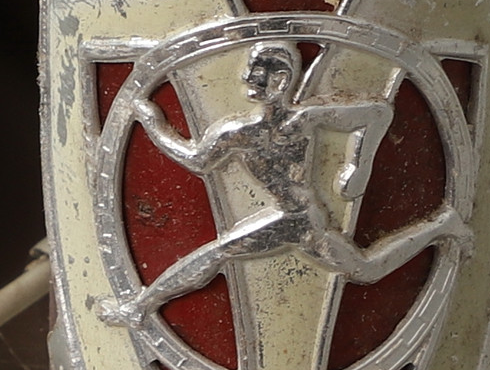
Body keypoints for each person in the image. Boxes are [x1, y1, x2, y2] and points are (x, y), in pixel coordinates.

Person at [99, 40, 470, 327]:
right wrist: (153, 122)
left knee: (218, 254)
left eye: (256, 72)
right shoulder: (238, 133)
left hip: (300, 219)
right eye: (249, 70)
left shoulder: (302, 121)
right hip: (297, 220)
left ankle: (139, 307)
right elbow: (196, 159)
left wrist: (359, 165)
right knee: (363, 268)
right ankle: (442, 225)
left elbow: (378, 112)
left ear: (279, 81)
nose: (247, 78)